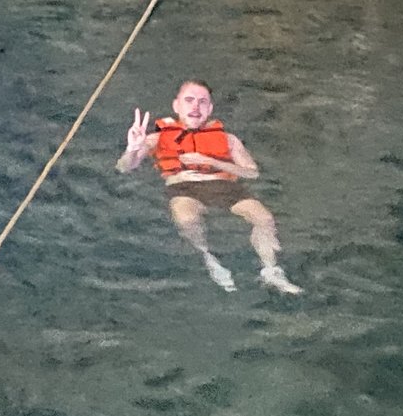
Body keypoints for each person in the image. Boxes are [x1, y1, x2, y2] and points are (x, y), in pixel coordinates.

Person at [118, 80, 301, 294]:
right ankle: (209, 258)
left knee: (264, 218)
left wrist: (213, 162)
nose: (195, 107)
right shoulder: (157, 138)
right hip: (184, 187)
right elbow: (124, 168)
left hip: (225, 187)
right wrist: (132, 149)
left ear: (210, 109)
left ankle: (271, 270)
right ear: (176, 106)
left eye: (202, 102)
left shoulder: (228, 139)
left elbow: (252, 172)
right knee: (186, 218)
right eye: (189, 101)